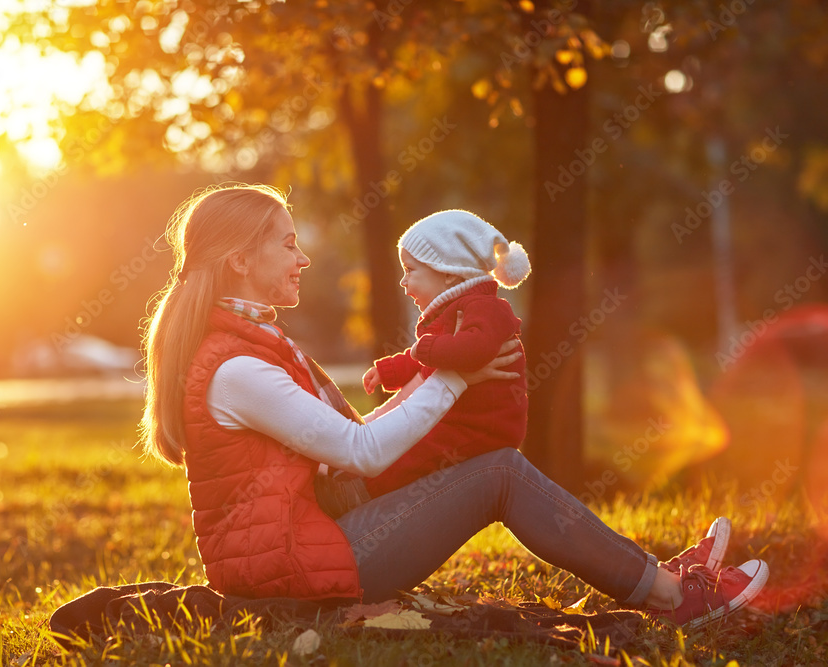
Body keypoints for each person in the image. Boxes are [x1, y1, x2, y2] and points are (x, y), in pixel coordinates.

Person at [139, 183, 769, 629]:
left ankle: (654, 578)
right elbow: (361, 450)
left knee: (490, 462)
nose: (303, 257)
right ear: (241, 260)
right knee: (497, 471)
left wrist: (435, 385)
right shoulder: (236, 367)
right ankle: (669, 594)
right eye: (287, 244)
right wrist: (457, 376)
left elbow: (347, 439)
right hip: (296, 566)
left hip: (314, 530)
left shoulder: (253, 346)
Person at [361, 209, 531, 497]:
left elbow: (474, 350)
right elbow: (431, 360)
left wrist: (426, 348)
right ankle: (364, 481)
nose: (403, 281)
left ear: (450, 274)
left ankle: (363, 489)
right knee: (409, 441)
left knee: (414, 454)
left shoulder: (487, 308)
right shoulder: (452, 311)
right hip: (461, 419)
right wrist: (390, 370)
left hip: (484, 426)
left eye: (410, 271)